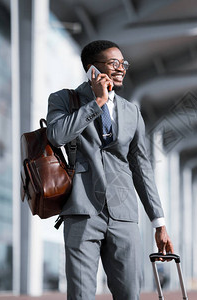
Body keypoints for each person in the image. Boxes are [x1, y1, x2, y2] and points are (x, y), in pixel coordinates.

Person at [46, 40, 174, 300]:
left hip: (124, 216)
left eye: (123, 64)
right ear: (92, 68)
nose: (121, 68)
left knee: (129, 294)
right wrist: (97, 102)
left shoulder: (132, 111)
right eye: (113, 63)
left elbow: (141, 167)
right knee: (81, 295)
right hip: (82, 212)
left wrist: (158, 222)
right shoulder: (63, 99)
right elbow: (56, 136)